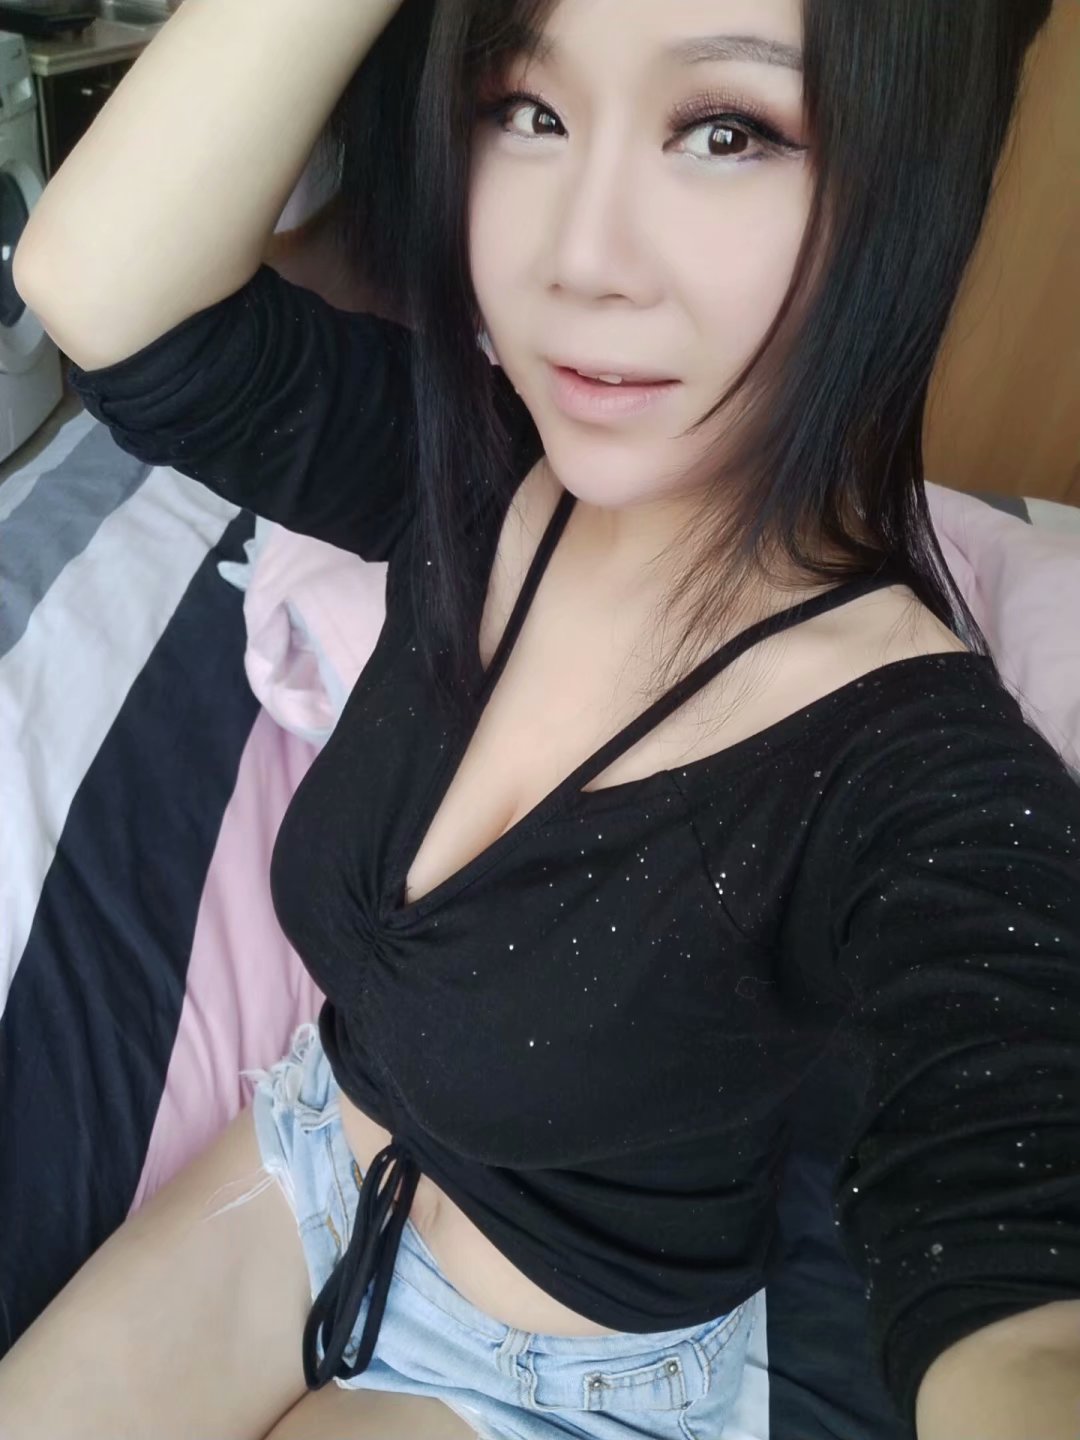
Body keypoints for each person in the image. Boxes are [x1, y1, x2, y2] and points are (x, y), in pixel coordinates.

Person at [3, 1, 1078, 1438]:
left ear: (913, 178)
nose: (577, 260)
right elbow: (98, 292)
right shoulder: (469, 466)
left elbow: (1017, 1279)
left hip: (558, 1372)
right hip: (306, 1153)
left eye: (728, 131)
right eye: (528, 111)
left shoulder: (925, 783)